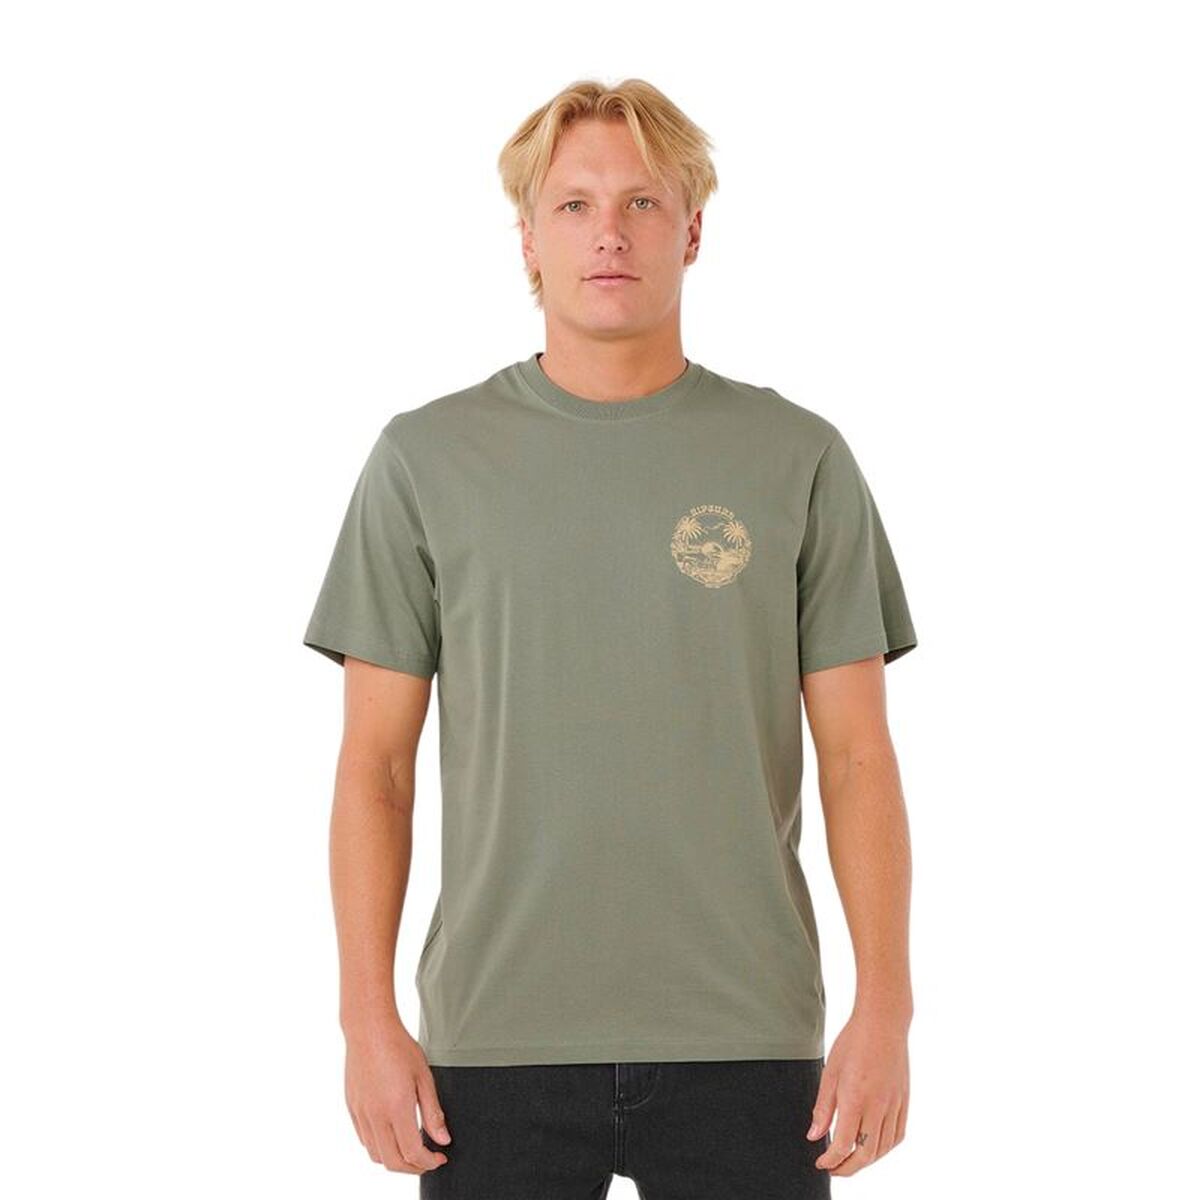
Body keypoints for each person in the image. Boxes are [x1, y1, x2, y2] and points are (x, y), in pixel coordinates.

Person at [303, 77, 918, 1199]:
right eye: (575, 204)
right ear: (528, 239)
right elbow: (376, 769)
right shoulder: (423, 460)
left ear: (693, 231)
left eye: (643, 202)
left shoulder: (797, 456)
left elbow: (859, 760)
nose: (609, 234)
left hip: (747, 1036)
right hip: (492, 1043)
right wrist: (365, 1022)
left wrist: (887, 1010)